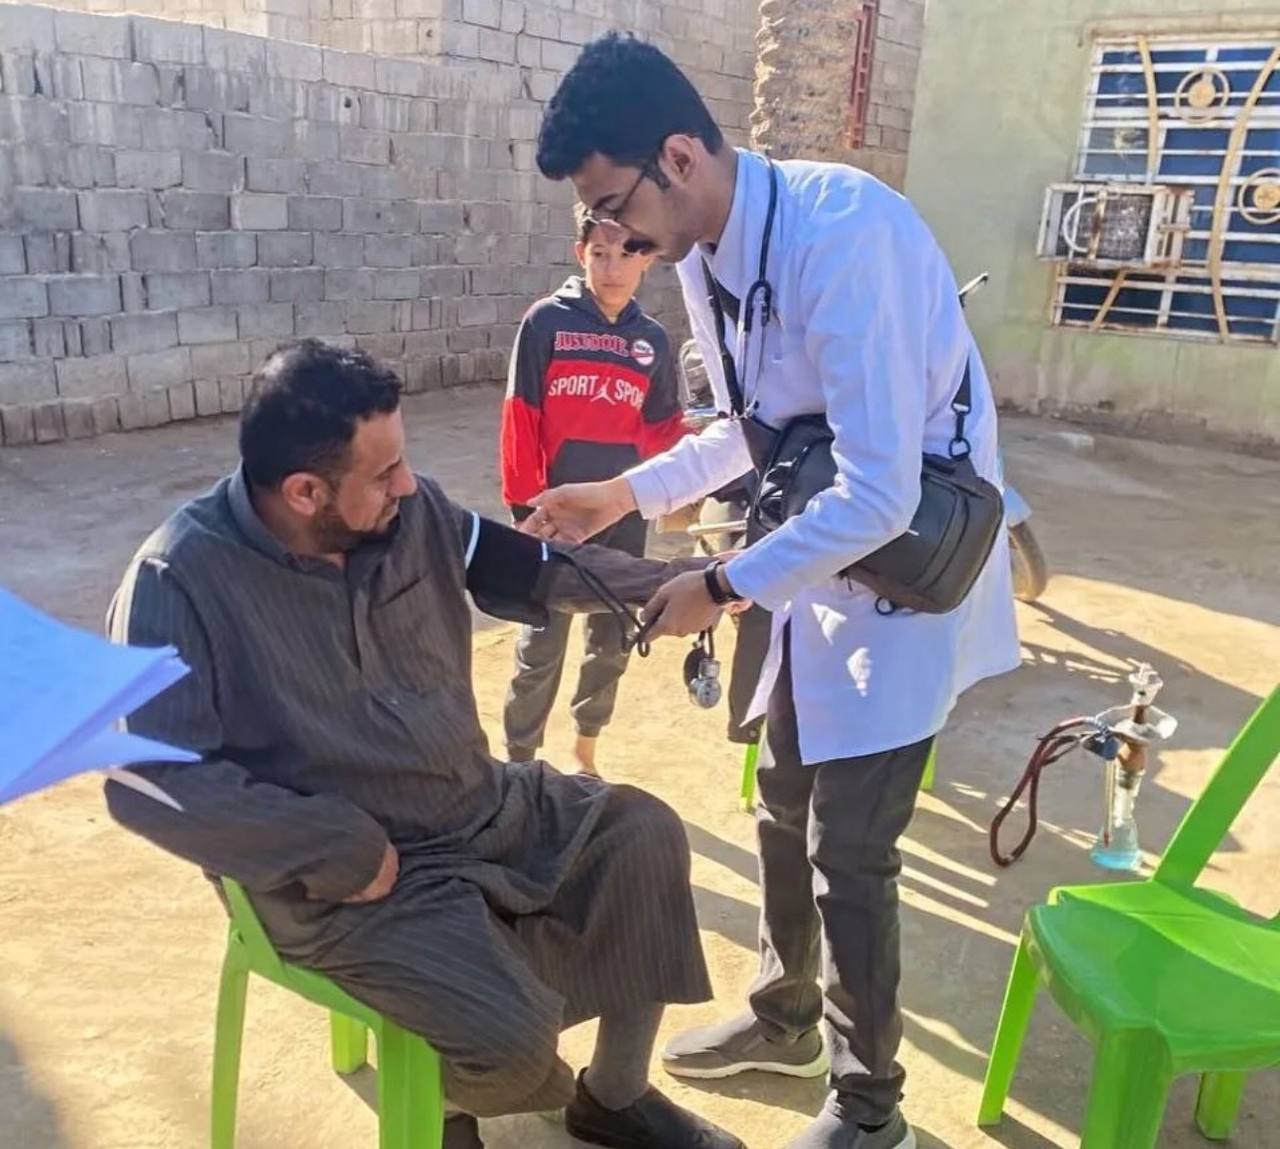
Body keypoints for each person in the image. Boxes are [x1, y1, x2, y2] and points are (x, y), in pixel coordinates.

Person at [527, 34, 1021, 1149]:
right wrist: (622, 492)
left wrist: (718, 583)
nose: (612, 238)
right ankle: (784, 1016)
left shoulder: (841, 235)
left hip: (901, 569)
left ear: (677, 157)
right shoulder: (702, 253)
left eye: (612, 207)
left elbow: (881, 492)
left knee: (852, 848)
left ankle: (870, 1108)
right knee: (780, 801)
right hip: (812, 553)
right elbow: (751, 426)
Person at [104, 340, 744, 1149]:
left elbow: (539, 568)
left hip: (479, 803)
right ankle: (447, 1109)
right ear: (305, 491)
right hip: (352, 876)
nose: (408, 483)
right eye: (384, 473)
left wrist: (685, 586)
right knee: (506, 1040)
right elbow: (149, 780)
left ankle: (612, 1098)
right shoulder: (178, 580)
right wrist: (331, 844)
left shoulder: (414, 516)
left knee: (642, 835)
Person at [500, 202, 684, 775]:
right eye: (599, 254)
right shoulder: (546, 324)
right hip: (553, 519)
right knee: (540, 642)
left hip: (623, 518)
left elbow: (662, 433)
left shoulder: (652, 342)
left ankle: (586, 751)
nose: (612, 268)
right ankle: (521, 760)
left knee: (611, 638)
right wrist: (526, 512)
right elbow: (520, 418)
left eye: (627, 254)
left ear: (648, 259)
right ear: (580, 254)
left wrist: (704, 449)